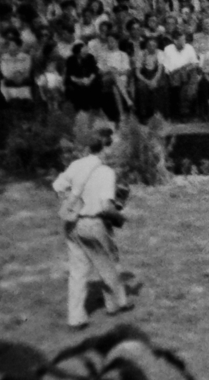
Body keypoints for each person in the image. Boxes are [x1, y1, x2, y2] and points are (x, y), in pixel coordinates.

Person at [52, 124, 133, 329]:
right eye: (112, 147)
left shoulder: (76, 165)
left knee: (78, 271)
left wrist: (74, 202)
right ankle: (115, 305)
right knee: (108, 264)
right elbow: (106, 207)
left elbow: (57, 187)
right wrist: (121, 218)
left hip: (72, 223)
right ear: (105, 147)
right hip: (94, 223)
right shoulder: (106, 172)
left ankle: (76, 319)